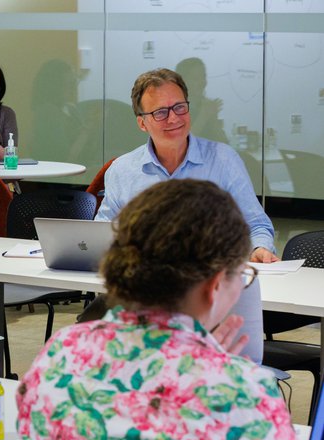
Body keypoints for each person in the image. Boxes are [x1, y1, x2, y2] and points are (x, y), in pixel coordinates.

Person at [17, 179, 324, 440]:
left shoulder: (59, 353)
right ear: (215, 285)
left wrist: (197, 362)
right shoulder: (237, 390)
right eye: (243, 274)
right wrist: (211, 372)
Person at [94, 68, 275, 363]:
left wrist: (260, 247)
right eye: (161, 112)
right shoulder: (123, 170)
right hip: (144, 303)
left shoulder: (224, 160)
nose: (174, 118)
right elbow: (103, 230)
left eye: (179, 107)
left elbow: (255, 223)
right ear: (142, 123)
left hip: (211, 302)